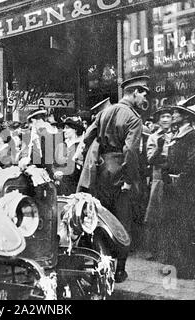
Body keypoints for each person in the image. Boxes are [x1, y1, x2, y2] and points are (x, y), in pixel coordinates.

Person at [76, 76, 149, 283]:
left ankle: (102, 263)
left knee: (101, 218)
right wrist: (129, 179)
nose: (145, 97)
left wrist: (84, 157)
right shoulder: (134, 118)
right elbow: (131, 152)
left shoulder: (105, 112)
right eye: (143, 93)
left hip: (101, 172)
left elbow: (87, 137)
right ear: (134, 92)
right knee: (122, 221)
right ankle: (120, 270)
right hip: (120, 173)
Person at [159, 96, 195, 279]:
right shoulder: (177, 135)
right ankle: (178, 265)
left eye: (177, 112)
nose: (173, 114)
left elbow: (193, 163)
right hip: (174, 189)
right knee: (176, 226)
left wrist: (178, 179)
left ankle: (191, 269)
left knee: (187, 227)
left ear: (187, 117)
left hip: (187, 189)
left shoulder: (193, 135)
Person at [144, 106, 173, 260]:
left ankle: (169, 251)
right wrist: (160, 148)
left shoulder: (176, 134)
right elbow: (150, 159)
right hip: (159, 179)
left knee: (171, 215)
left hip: (172, 179)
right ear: (158, 120)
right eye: (163, 117)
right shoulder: (154, 137)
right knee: (155, 216)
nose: (166, 120)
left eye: (168, 116)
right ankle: (155, 251)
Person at [19, 108, 61, 176]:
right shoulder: (32, 135)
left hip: (51, 171)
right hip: (41, 169)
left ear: (33, 121)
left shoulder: (49, 133)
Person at [54, 117, 85, 196]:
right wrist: (55, 172)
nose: (64, 130)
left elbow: (81, 167)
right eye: (64, 128)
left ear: (75, 129)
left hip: (74, 185)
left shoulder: (81, 146)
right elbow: (54, 164)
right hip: (60, 184)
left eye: (67, 128)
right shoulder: (62, 145)